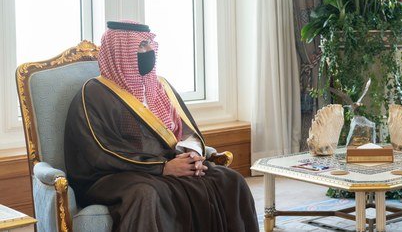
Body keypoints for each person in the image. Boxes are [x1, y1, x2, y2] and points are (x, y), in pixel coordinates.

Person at [64, 21, 259, 232]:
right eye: (140, 46)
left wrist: (190, 156)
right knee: (145, 193)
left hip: (169, 165)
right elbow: (101, 153)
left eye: (149, 44)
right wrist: (162, 168)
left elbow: (186, 130)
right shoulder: (93, 94)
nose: (148, 51)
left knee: (231, 180)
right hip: (111, 176)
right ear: (119, 52)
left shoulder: (160, 86)